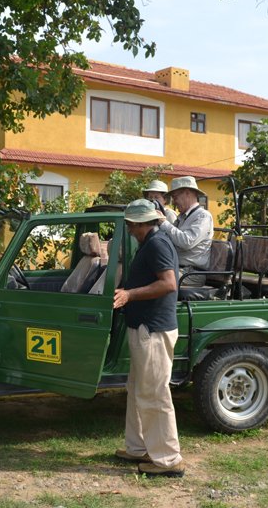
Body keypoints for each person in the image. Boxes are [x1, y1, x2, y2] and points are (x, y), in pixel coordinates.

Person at [112, 199, 185, 478]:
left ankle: (168, 460)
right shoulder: (150, 243)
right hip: (145, 327)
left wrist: (130, 295)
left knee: (155, 394)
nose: (129, 229)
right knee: (138, 390)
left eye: (132, 224)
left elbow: (169, 283)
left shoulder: (157, 244)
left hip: (153, 330)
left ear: (144, 223)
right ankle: (138, 448)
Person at [158, 176, 214, 287]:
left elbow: (186, 242)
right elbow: (167, 238)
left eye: (175, 197)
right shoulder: (182, 217)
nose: (174, 201)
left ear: (187, 193)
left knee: (152, 277)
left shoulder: (203, 216)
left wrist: (163, 223)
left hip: (191, 274)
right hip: (178, 269)